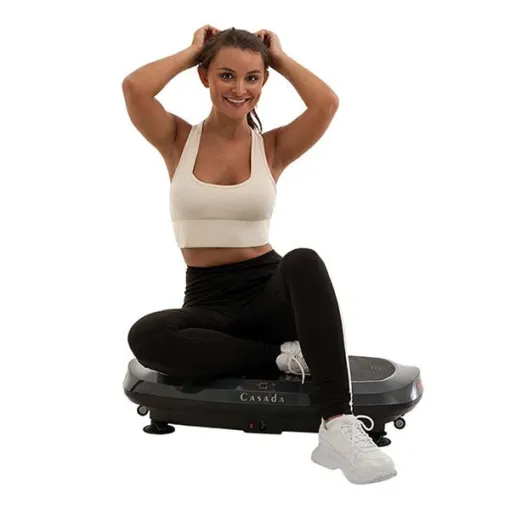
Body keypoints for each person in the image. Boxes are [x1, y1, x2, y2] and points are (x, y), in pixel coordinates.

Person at [122, 25, 396, 484]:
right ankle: (281, 357)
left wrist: (278, 59)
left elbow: (326, 103)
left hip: (269, 293)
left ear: (264, 82)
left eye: (252, 78)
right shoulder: (177, 139)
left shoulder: (271, 147)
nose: (239, 89)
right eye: (226, 75)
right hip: (209, 301)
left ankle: (337, 422)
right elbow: (135, 88)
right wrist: (193, 52)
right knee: (147, 336)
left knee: (303, 259)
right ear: (205, 77)